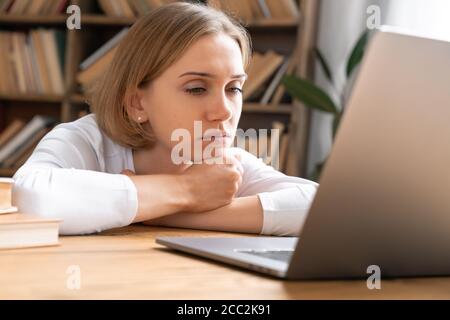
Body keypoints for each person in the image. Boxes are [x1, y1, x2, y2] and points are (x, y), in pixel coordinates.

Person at [12, 2, 317, 236]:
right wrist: (190, 191)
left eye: (234, 88)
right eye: (197, 88)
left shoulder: (224, 164)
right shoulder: (85, 140)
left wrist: (167, 213)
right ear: (137, 103)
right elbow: (32, 197)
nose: (224, 111)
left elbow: (319, 207)